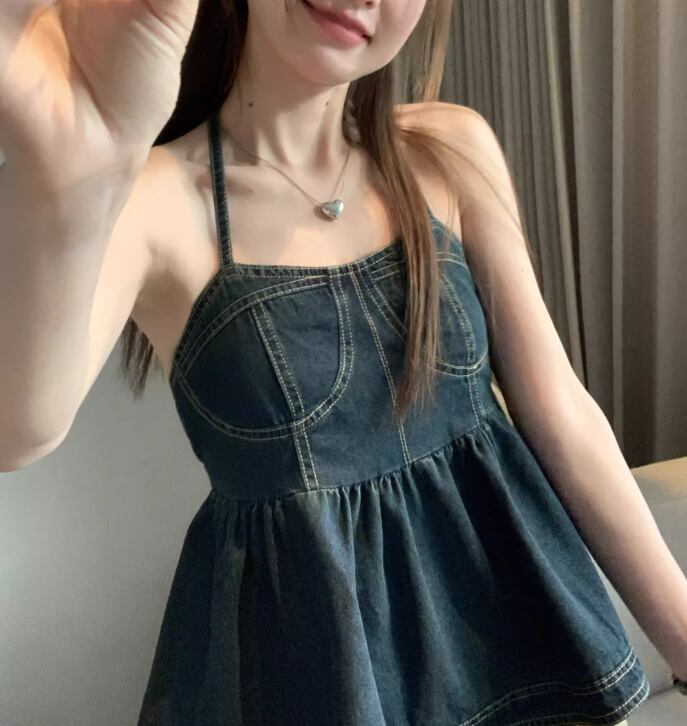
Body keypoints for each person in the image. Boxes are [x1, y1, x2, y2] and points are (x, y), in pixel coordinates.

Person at [2, 0, 685, 724]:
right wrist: (73, 178)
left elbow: (561, 413)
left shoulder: (447, 150)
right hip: (313, 667)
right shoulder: (155, 199)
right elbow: (19, 429)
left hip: (519, 635)